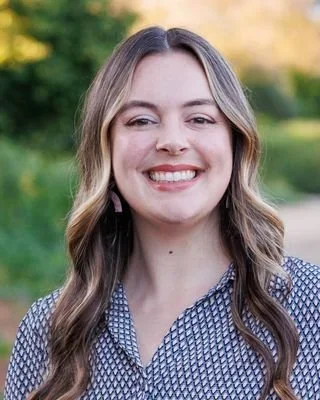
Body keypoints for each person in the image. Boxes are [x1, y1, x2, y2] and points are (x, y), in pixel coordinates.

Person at [4, 26, 320, 400]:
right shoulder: (49, 332)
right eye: (141, 120)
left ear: (235, 144)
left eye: (200, 119)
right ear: (105, 148)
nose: (171, 141)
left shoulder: (308, 305)